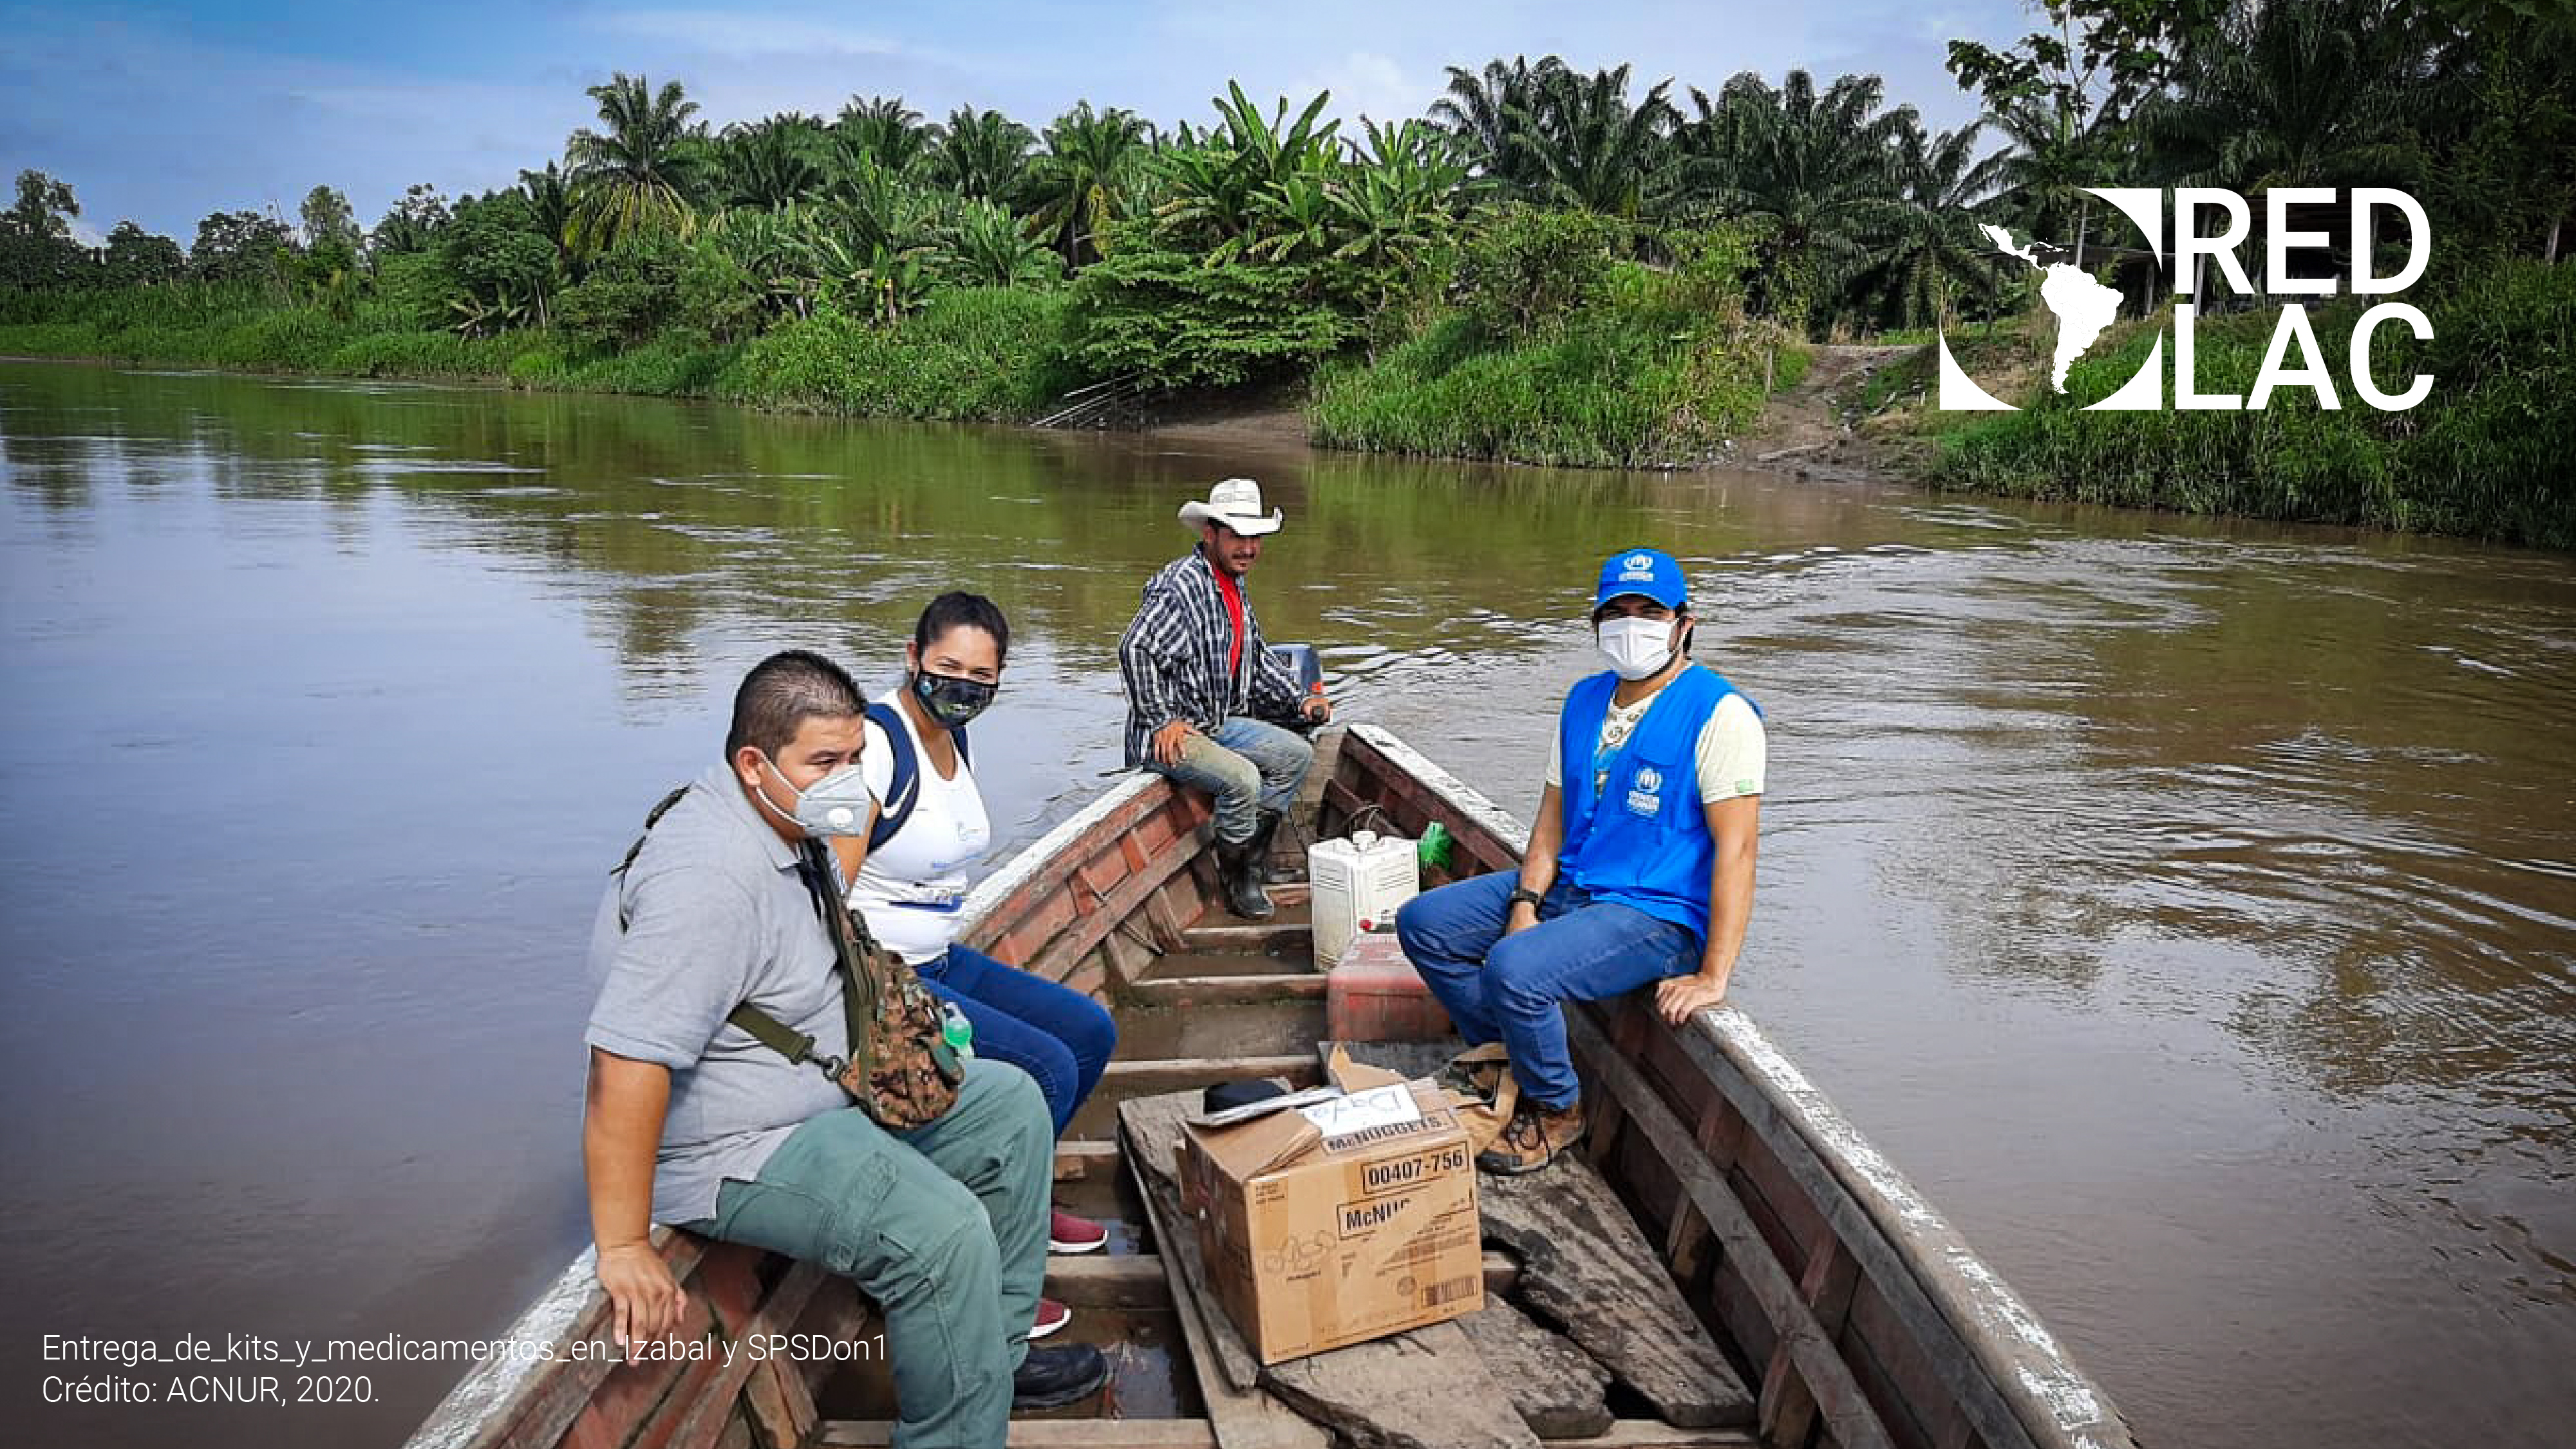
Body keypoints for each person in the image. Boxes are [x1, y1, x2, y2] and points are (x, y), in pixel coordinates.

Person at [583, 650, 1107, 1447]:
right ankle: (955, 1435)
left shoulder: (788, 820)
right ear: (753, 763)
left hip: (826, 1088)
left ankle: (988, 1371)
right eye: (824, 760)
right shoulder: (706, 878)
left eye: (855, 756)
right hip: (738, 1144)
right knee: (943, 1233)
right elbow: (624, 1064)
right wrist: (622, 1245)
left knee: (1011, 1106)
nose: (846, 778)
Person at [1395, 548, 1764, 1175]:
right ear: (1595, 623)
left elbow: (1738, 850)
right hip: (1576, 883)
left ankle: (1557, 1108)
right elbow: (1550, 819)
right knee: (1424, 924)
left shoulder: (1718, 713)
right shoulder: (1584, 701)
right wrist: (1524, 901)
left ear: (1683, 623)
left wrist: (1712, 975)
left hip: (1654, 912)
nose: (1631, 623)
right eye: (1615, 610)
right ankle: (1510, 1050)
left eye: (1647, 610)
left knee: (1514, 967)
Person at [824, 594, 1122, 1338]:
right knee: (1044, 1070)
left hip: (944, 957)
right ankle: (983, 1253)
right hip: (889, 978)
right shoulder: (876, 747)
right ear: (912, 656)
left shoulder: (954, 739)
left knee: (1088, 1032)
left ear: (998, 679)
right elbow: (827, 893)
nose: (960, 685)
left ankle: (1018, 1192)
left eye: (978, 676)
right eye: (946, 668)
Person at [1118, 476, 1332, 920]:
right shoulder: (1181, 585)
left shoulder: (1232, 588)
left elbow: (1257, 660)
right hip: (1171, 732)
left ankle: (1252, 861)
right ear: (1210, 533)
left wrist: (1300, 701)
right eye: (1237, 535)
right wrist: (1161, 720)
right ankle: (1236, 879)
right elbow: (1134, 648)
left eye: (1254, 537)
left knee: (1295, 754)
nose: (1248, 547)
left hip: (1215, 721)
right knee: (1242, 779)